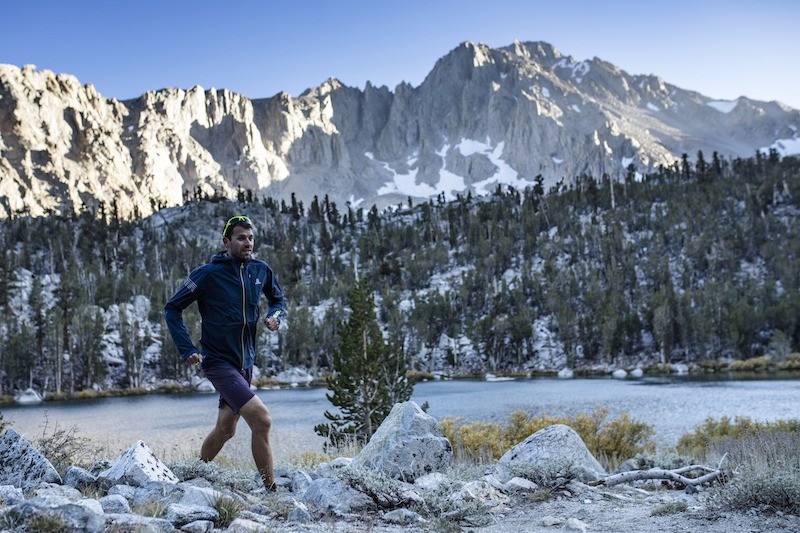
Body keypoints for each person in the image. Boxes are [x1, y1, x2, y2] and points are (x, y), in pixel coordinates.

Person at [164, 214, 286, 491]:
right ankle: (271, 491)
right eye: (241, 238)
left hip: (245, 363)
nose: (247, 243)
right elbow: (172, 308)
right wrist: (186, 348)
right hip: (219, 362)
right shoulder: (208, 274)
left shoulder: (260, 270)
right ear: (226, 241)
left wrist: (274, 316)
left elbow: (277, 299)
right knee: (262, 419)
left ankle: (192, 475)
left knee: (226, 429)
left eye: (251, 238)